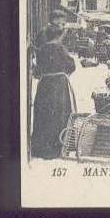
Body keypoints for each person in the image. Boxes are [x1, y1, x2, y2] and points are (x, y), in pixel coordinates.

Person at [32, 25, 77, 159]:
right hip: (58, 86)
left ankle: (41, 147)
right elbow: (72, 66)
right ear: (58, 36)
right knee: (59, 113)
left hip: (45, 85)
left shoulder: (42, 49)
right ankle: (58, 147)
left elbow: (38, 71)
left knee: (44, 113)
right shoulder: (61, 48)